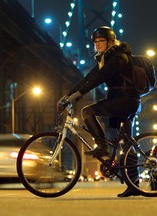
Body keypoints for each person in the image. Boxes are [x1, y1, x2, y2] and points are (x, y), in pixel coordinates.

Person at [57, 26, 141, 197]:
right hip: (125, 100)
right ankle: (134, 185)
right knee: (125, 143)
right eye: (96, 42)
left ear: (110, 42)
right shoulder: (105, 59)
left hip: (125, 101)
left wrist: (77, 95)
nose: (98, 44)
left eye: (101, 41)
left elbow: (98, 79)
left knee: (87, 112)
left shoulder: (118, 58)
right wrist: (68, 95)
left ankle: (101, 146)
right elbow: (87, 78)